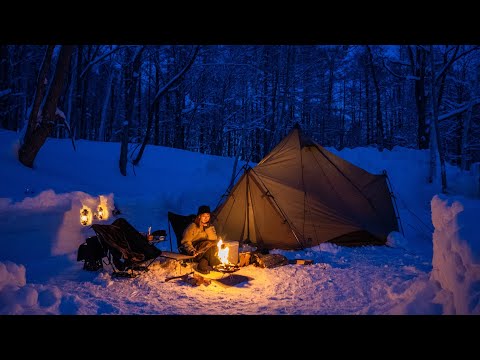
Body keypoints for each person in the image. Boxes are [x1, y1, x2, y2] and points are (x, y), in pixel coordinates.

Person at [180, 205, 221, 274]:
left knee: (214, 245)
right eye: (204, 216)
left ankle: (204, 263)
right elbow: (185, 241)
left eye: (208, 216)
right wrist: (191, 250)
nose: (206, 218)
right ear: (199, 216)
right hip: (195, 250)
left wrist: (208, 228)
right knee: (208, 244)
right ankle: (211, 264)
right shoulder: (193, 226)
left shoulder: (209, 226)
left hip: (206, 249)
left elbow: (214, 238)